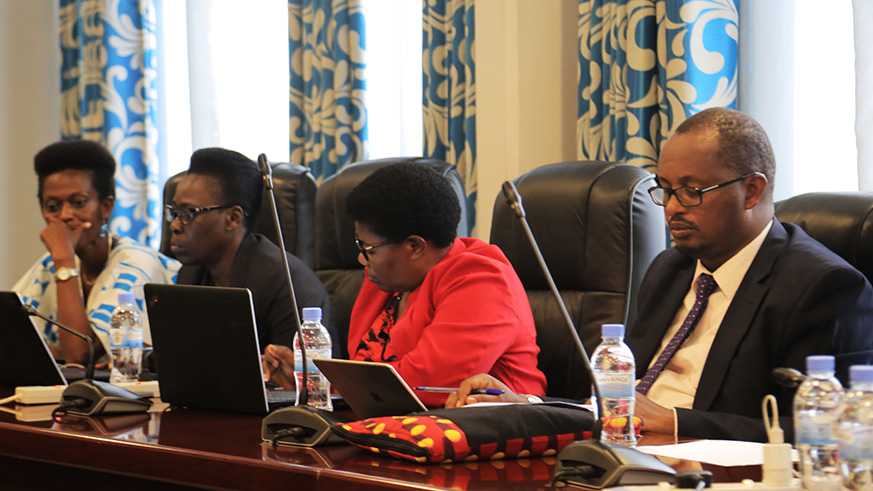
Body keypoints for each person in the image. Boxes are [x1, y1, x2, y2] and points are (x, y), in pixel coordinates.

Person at [448, 107, 873, 442]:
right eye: (665, 189)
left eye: (691, 191)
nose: (671, 208)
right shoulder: (671, 269)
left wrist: (672, 421)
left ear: (753, 190)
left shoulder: (824, 287)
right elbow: (619, 399)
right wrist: (521, 404)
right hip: (628, 455)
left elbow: (822, 432)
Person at [263, 163, 546, 406]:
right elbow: (368, 376)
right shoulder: (390, 281)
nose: (362, 258)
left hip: (491, 443)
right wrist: (311, 379)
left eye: (368, 247)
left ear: (414, 247)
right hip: (394, 430)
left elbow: (427, 386)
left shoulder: (482, 280)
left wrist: (331, 384)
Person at [14, 140, 181, 364]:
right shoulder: (52, 263)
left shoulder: (137, 262)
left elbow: (79, 356)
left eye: (78, 203)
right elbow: (11, 340)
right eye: (52, 207)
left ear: (106, 207)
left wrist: (64, 261)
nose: (64, 215)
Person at [169, 147, 335, 354]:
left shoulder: (287, 284)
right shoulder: (191, 274)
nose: (175, 224)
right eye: (174, 212)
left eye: (187, 213)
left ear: (233, 219)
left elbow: (300, 377)